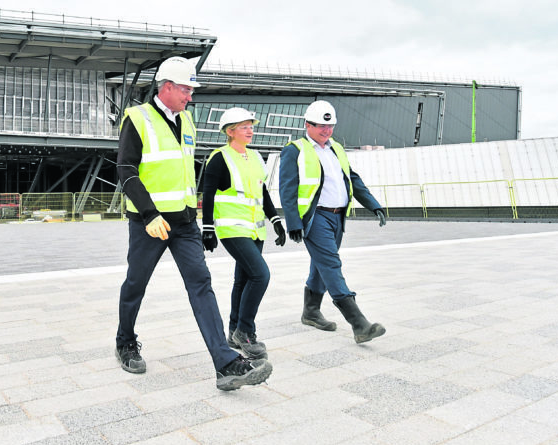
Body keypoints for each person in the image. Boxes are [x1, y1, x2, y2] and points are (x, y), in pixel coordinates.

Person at [116, 57, 272, 390]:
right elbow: (126, 171)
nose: (190, 96)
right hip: (150, 222)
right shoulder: (137, 118)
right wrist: (148, 213)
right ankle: (125, 340)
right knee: (136, 283)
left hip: (184, 222)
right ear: (168, 87)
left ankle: (226, 364)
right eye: (187, 89)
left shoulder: (187, 120)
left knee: (201, 283)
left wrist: (200, 220)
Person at [279, 100, 388, 343]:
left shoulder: (336, 148)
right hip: (315, 217)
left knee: (321, 263)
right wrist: (293, 222)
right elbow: (287, 189)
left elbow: (353, 178)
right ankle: (358, 323)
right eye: (320, 127)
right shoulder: (294, 150)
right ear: (307, 124)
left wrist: (373, 204)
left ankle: (311, 311)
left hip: (338, 217)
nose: (326, 131)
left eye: (330, 127)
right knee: (331, 263)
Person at [201, 107, 286, 360]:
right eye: (244, 126)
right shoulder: (219, 157)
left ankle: (233, 330)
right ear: (230, 132)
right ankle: (246, 331)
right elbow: (208, 194)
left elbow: (263, 192)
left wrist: (275, 220)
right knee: (261, 275)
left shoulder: (256, 157)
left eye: (251, 125)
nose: (250, 130)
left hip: (255, 229)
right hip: (231, 228)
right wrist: (207, 228)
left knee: (245, 279)